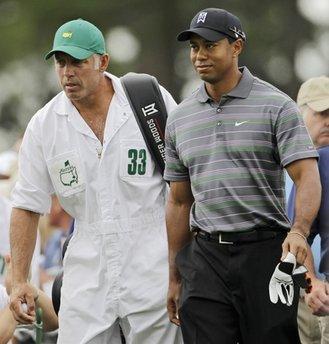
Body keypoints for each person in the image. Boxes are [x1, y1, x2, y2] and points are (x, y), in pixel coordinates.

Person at [9, 19, 182, 344]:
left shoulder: (149, 102)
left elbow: (185, 186)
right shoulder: (44, 125)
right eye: (61, 62)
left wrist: (182, 265)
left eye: (77, 62)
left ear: (102, 61)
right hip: (86, 263)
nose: (67, 72)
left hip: (154, 260)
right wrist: (19, 280)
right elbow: (26, 205)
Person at [164, 8, 321, 344]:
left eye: (210, 45)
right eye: (194, 47)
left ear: (236, 47)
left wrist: (300, 229)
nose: (200, 56)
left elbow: (307, 176)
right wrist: (174, 274)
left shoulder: (276, 106)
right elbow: (178, 201)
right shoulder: (180, 118)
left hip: (265, 254)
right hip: (205, 258)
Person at [287, 76, 329, 343]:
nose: (328, 120)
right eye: (321, 113)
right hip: (298, 286)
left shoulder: (324, 161)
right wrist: (311, 282)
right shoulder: (279, 162)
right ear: (300, 113)